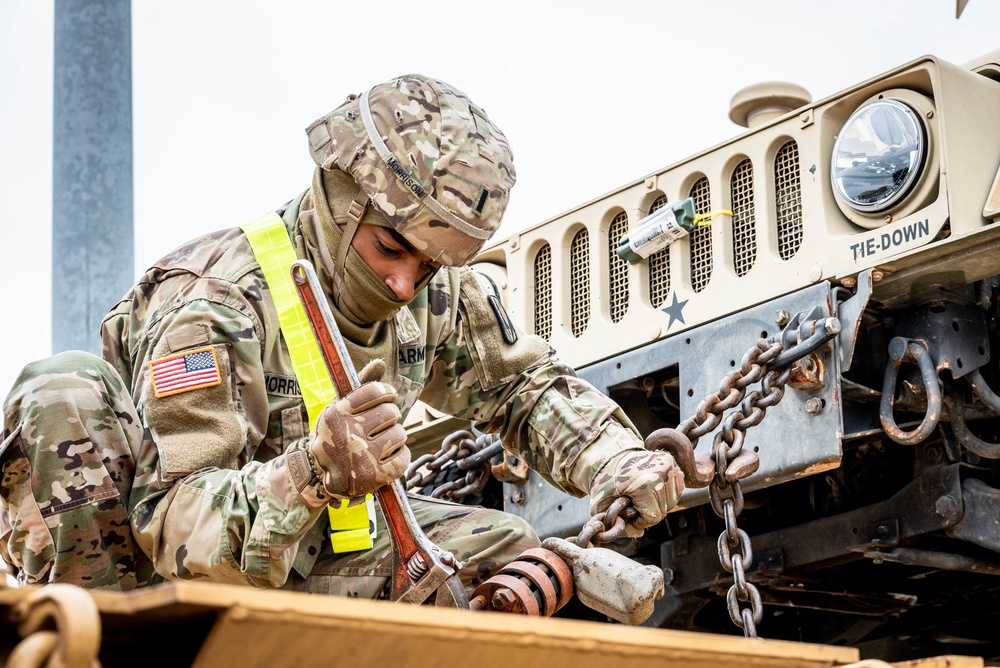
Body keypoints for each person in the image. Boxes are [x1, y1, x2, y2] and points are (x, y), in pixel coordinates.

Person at [0, 74, 690, 597]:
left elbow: (523, 388)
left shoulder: (432, 291)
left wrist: (616, 461)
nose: (404, 285)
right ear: (340, 199)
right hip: (158, 579)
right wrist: (311, 472)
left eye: (429, 264)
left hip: (303, 554)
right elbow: (175, 525)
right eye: (391, 247)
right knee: (63, 384)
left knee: (507, 547)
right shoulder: (213, 304)